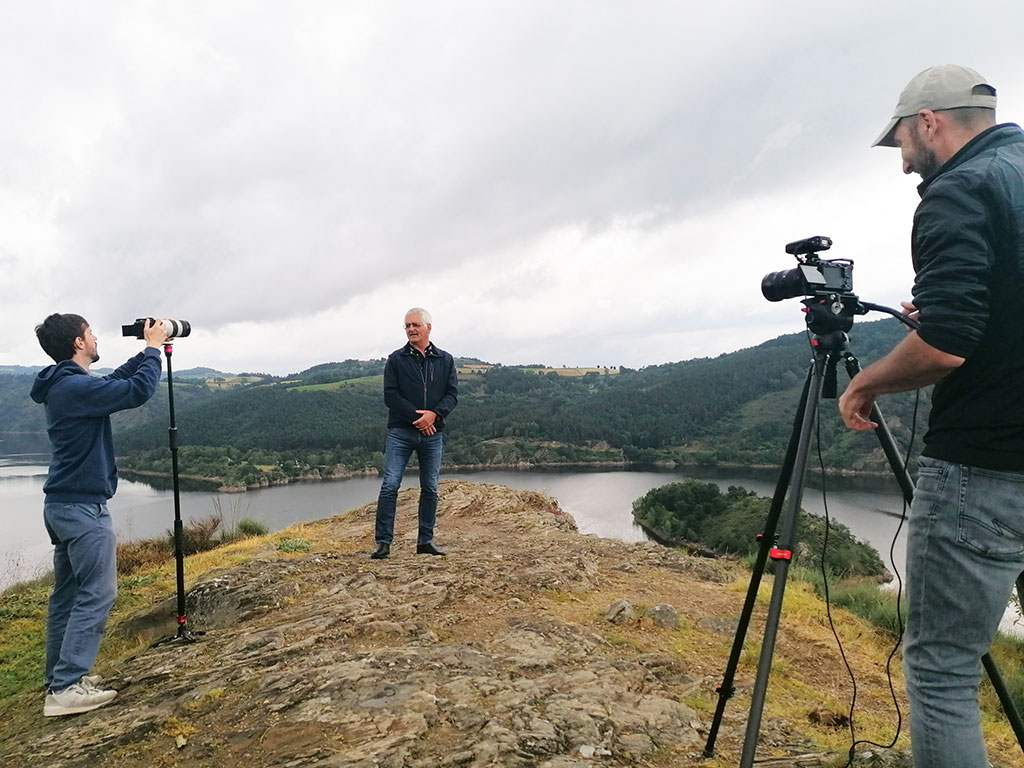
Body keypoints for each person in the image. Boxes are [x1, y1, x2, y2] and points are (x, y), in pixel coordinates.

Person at [838, 65, 1024, 768]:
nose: (903, 160)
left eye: (902, 144)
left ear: (929, 121)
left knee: (943, 668)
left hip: (989, 465)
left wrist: (867, 388)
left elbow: (945, 348)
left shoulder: (960, 190)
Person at [30, 314, 167, 717]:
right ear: (78, 342)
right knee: (98, 593)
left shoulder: (65, 384)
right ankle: (66, 687)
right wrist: (155, 349)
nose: (95, 337)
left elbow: (113, 382)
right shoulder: (74, 388)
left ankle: (60, 677)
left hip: (63, 504)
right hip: (81, 508)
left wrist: (142, 350)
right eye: (91, 333)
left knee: (69, 595)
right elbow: (137, 392)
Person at [371, 308, 458, 559]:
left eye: (415, 325)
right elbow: (391, 395)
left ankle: (425, 542)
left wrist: (435, 415)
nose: (411, 329)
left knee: (430, 488)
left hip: (433, 434)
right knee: (389, 486)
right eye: (407, 326)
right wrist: (419, 418)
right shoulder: (396, 359)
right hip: (400, 432)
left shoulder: (445, 359)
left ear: (428, 327)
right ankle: (383, 543)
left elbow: (451, 395)